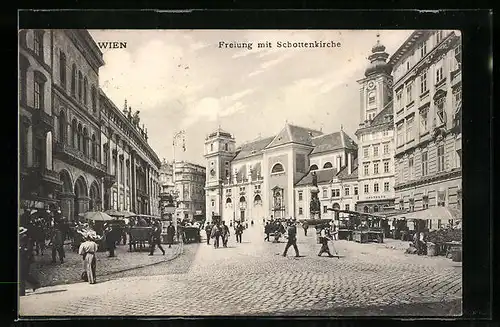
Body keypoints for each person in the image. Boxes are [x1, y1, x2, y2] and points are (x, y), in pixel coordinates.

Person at [19, 227, 40, 295]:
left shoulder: (26, 239)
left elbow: (28, 249)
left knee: (22, 275)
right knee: (24, 274)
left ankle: (22, 291)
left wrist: (21, 250)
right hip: (23, 259)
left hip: (25, 259)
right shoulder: (23, 239)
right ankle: (35, 284)